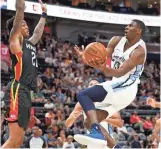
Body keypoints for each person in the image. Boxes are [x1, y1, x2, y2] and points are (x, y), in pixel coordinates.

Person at [74, 19, 146, 145]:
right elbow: (101, 59)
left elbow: (120, 72)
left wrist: (103, 68)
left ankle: (96, 133)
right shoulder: (116, 40)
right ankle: (114, 146)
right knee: (89, 121)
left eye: (130, 26)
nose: (126, 27)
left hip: (127, 87)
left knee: (83, 94)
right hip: (117, 89)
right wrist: (88, 59)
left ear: (138, 30)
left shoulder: (139, 51)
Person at [2, 0, 47, 148]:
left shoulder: (29, 44)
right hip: (16, 89)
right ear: (15, 27)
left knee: (19, 140)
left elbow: (38, 32)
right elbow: (19, 11)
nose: (27, 26)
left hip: (25, 91)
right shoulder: (15, 40)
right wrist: (20, 7)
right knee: (14, 140)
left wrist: (44, 14)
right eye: (23, 24)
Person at [66, 79, 123, 149]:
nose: (93, 85)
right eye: (91, 84)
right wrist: (73, 116)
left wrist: (104, 119)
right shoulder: (81, 103)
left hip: (107, 140)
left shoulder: (106, 102)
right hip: (93, 140)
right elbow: (67, 124)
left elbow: (120, 124)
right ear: (87, 88)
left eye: (95, 84)